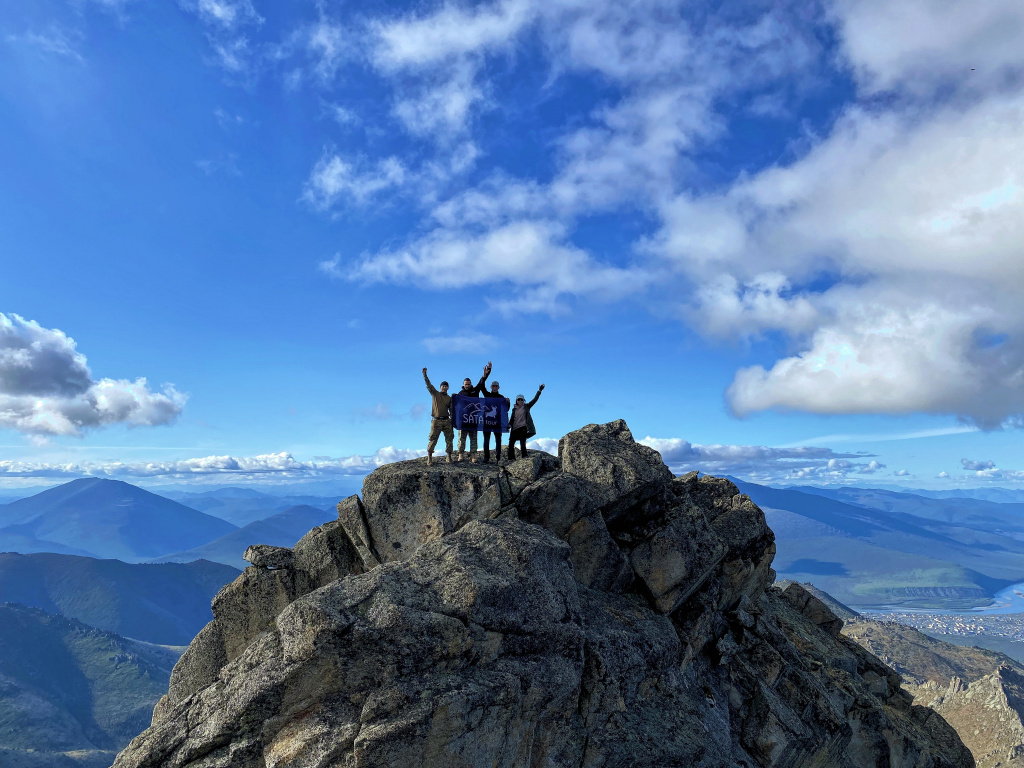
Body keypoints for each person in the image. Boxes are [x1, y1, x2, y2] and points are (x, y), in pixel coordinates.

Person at [456, 361, 491, 462]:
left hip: (473, 419)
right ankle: (460, 455)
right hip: (463, 420)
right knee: (461, 439)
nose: (467, 385)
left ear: (471, 384)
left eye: (469, 384)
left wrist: (486, 374)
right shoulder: (460, 393)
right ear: (463, 384)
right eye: (466, 384)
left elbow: (481, 383)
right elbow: (455, 405)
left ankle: (473, 455)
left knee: (473, 438)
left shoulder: (475, 391)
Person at [422, 367, 454, 465]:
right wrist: (425, 374)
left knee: (449, 438)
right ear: (440, 387)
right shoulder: (435, 394)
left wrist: (453, 420)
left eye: (446, 386)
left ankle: (449, 456)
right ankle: (430, 458)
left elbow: (451, 410)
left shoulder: (449, 398)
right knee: (433, 438)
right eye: (443, 386)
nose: (444, 387)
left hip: (446, 420)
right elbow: (428, 385)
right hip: (436, 420)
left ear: (448, 388)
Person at [507, 384, 544, 461]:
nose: (520, 401)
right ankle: (511, 459)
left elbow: (535, 399)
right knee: (511, 444)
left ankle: (524, 458)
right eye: (518, 399)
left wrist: (539, 390)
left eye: (521, 399)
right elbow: (512, 419)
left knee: (522, 444)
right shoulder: (514, 409)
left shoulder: (527, 406)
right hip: (514, 428)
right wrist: (509, 425)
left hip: (523, 428)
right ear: (516, 401)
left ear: (524, 400)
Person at [482, 380, 510, 464]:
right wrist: (485, 376)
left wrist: (508, 402)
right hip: (487, 421)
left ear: (498, 387)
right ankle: (486, 457)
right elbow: (482, 386)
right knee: (486, 440)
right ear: (491, 387)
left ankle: (498, 457)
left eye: (496, 386)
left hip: (497, 422)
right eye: (493, 386)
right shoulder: (487, 395)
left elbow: (506, 409)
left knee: (498, 440)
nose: (494, 387)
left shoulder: (501, 397)